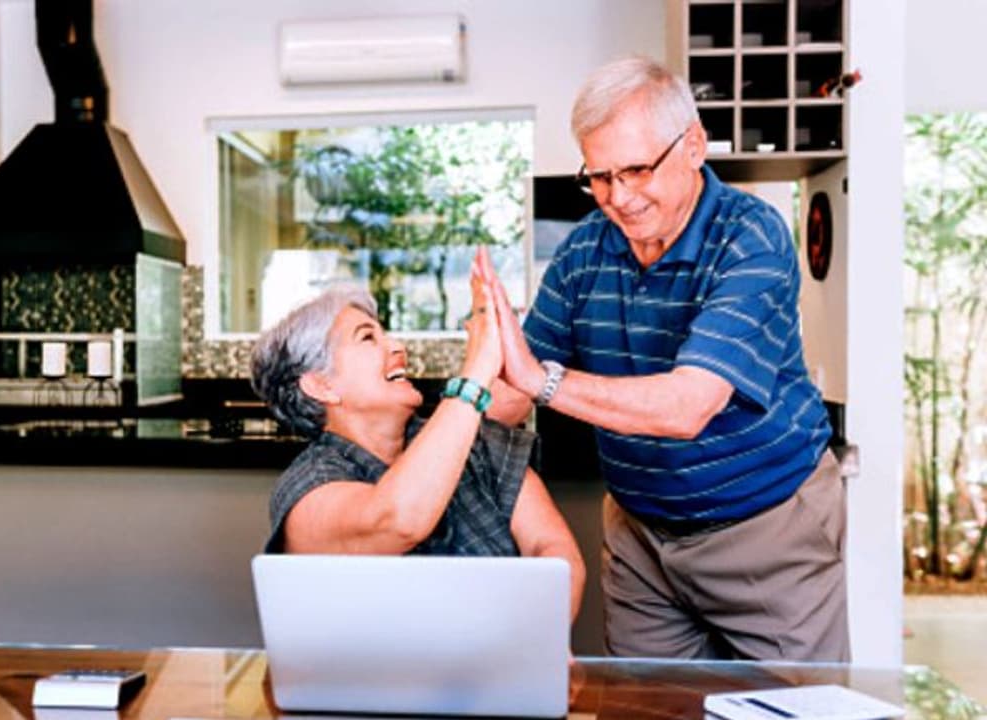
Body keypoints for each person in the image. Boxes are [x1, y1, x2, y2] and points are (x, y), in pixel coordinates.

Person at [482, 56, 848, 661]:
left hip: (770, 528)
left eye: (636, 169)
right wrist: (465, 384)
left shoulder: (749, 236)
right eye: (599, 177)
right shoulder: (581, 254)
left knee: (796, 709)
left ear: (695, 144)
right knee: (646, 706)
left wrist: (540, 379)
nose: (618, 198)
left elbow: (686, 406)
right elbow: (509, 391)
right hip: (640, 535)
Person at [250, 249, 585, 620]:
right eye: (368, 339)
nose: (397, 348)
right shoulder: (308, 489)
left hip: (495, 670)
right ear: (320, 385)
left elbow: (552, 549)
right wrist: (477, 369)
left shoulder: (477, 440)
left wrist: (538, 635)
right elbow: (397, 520)